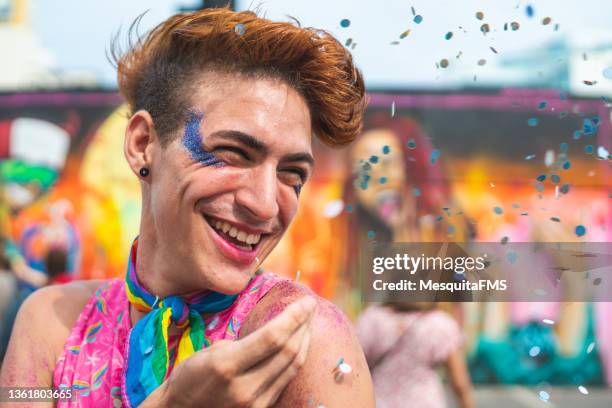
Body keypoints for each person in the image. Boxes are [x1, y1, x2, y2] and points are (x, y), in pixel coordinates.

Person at [0, 8, 375, 407]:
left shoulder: (305, 339)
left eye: (292, 174)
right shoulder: (47, 324)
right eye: (233, 153)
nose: (266, 205)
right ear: (143, 144)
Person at [357, 302, 474, 408]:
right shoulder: (439, 323)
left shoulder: (371, 318)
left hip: (379, 401)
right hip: (425, 402)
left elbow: (355, 367)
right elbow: (459, 382)